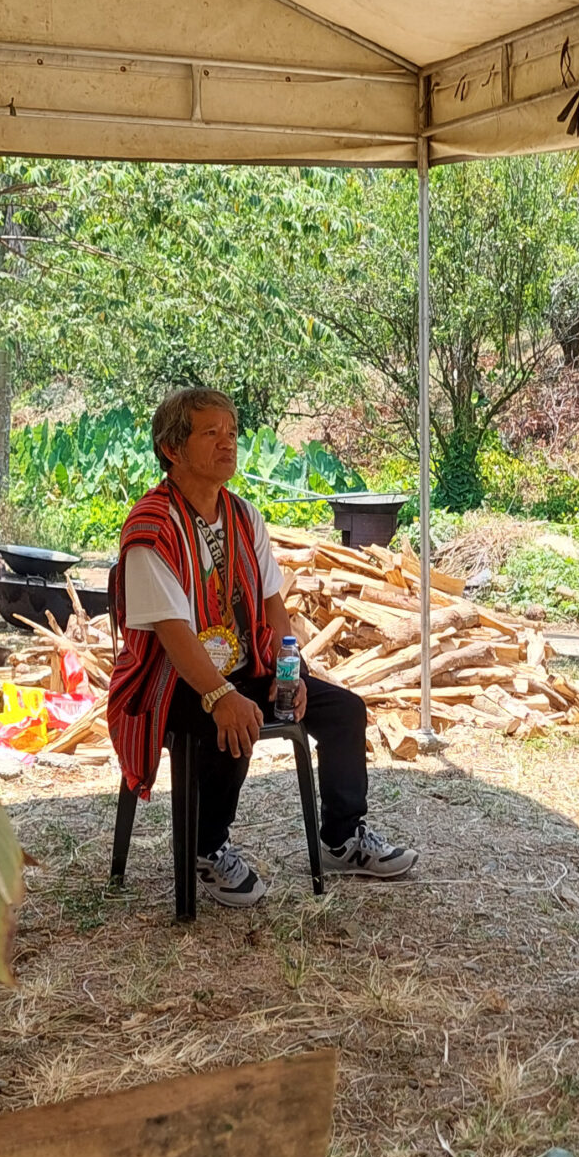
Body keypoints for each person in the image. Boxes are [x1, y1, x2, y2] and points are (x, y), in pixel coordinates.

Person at [106, 386, 419, 907]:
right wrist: (220, 695)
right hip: (170, 682)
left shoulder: (243, 516)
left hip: (245, 666)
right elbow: (172, 633)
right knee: (233, 721)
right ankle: (207, 848)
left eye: (231, 432)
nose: (227, 443)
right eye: (211, 433)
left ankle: (342, 838)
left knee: (344, 711)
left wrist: (289, 672)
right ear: (172, 449)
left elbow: (273, 605)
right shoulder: (151, 528)